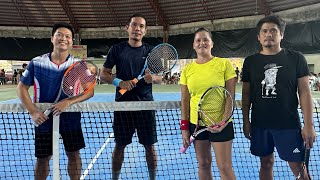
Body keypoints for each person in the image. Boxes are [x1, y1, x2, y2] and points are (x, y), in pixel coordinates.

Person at [241, 15, 316, 180]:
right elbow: (246, 94)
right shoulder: (250, 62)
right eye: (264, 31)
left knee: (298, 167)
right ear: (259, 37)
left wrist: (308, 124)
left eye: (273, 30)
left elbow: (304, 92)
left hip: (288, 125)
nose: (269, 34)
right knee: (266, 163)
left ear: (281, 34)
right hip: (260, 126)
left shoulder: (296, 58)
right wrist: (246, 121)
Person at [17, 22, 94, 180]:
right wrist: (33, 111)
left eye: (68, 36)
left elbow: (89, 91)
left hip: (70, 118)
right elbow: (21, 88)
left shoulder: (78, 65)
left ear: (72, 41)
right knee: (43, 158)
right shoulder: (37, 62)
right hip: (44, 119)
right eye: (59, 35)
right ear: (52, 38)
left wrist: (68, 102)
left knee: (73, 155)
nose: (63, 39)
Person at [100, 14, 162, 180]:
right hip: (123, 106)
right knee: (120, 146)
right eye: (134, 25)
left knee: (149, 147)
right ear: (127, 28)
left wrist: (152, 78)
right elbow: (103, 75)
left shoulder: (151, 51)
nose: (137, 29)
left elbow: (160, 77)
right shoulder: (117, 49)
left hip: (145, 107)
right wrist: (120, 83)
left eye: (141, 26)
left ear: (145, 30)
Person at [180, 27, 236, 180]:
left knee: (224, 167)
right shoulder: (187, 70)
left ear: (212, 44)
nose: (202, 43)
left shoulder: (224, 64)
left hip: (221, 123)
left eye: (205, 40)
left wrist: (223, 122)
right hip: (196, 123)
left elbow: (230, 96)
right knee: (203, 163)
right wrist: (185, 128)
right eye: (198, 40)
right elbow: (185, 100)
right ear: (193, 45)